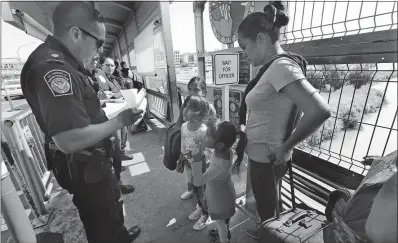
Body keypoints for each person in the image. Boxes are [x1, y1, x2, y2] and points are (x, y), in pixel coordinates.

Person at [20, 2, 142, 242]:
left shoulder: (66, 64)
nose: (99, 50)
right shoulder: (53, 69)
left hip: (94, 163)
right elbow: (68, 139)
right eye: (98, 42)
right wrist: (119, 121)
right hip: (85, 168)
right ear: (76, 33)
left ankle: (120, 233)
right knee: (102, 222)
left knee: (111, 209)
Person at [237, 1, 331, 239]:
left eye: (244, 46)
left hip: (267, 158)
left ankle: (268, 236)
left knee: (269, 211)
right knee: (269, 207)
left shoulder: (281, 68)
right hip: (262, 156)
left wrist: (287, 146)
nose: (244, 54)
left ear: (261, 38)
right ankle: (267, 233)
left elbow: (319, 110)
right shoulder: (272, 68)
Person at [195, 120, 237, 243]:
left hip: (219, 198)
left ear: (219, 145)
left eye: (207, 135)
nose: (204, 136)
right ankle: (225, 232)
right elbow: (214, 157)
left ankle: (224, 239)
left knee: (220, 223)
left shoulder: (218, 166)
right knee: (224, 221)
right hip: (225, 191)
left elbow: (199, 180)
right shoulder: (226, 151)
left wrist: (196, 160)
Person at [99, 57, 136, 194]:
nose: (110, 67)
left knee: (117, 146)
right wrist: (117, 96)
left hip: (118, 114)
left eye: (112, 65)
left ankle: (117, 172)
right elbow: (105, 98)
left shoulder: (113, 78)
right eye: (107, 65)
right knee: (112, 150)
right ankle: (117, 183)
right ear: (101, 66)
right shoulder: (100, 78)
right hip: (111, 117)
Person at [178, 77, 217, 201]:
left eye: (196, 90)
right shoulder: (187, 105)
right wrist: (182, 153)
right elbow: (183, 126)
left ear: (204, 92)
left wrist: (206, 153)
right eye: (190, 89)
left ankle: (203, 199)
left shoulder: (209, 108)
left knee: (202, 177)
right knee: (189, 173)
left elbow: (212, 131)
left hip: (202, 153)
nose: (192, 92)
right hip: (189, 150)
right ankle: (191, 190)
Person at [181, 96, 211, 231]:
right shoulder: (183, 126)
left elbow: (209, 151)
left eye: (189, 108)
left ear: (198, 112)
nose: (184, 110)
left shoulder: (204, 131)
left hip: (201, 166)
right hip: (189, 164)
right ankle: (200, 206)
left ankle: (205, 214)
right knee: (193, 186)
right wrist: (181, 159)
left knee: (202, 190)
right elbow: (183, 144)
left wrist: (200, 156)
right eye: (185, 106)